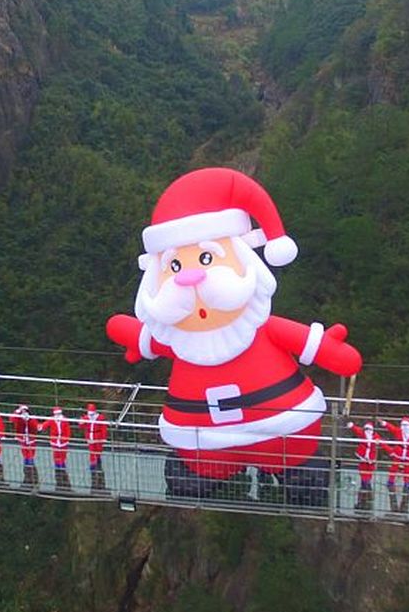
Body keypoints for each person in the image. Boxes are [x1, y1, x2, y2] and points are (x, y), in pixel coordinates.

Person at [103, 168, 362, 507]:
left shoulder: (256, 329)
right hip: (209, 442)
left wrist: (331, 351)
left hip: (271, 429)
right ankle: (209, 472)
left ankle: (295, 474)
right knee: (204, 466)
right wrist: (134, 336)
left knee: (299, 470)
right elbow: (134, 332)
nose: (190, 277)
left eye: (207, 258)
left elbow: (338, 357)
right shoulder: (182, 339)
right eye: (175, 267)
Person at [383, 417, 409, 508]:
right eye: (403, 425)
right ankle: (391, 481)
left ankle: (407, 483)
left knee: (408, 469)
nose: (404, 427)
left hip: (408, 453)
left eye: (406, 425)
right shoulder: (399, 431)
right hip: (399, 451)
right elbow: (392, 428)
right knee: (394, 467)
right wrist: (385, 423)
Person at [347, 419, 379, 495]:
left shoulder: (375, 436)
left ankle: (367, 481)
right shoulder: (362, 434)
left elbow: (381, 442)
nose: (368, 431)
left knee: (370, 468)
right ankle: (364, 481)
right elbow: (356, 430)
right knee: (362, 468)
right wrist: (352, 426)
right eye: (366, 429)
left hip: (371, 455)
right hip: (363, 454)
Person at [82, 403, 109, 486]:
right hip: (90, 436)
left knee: (98, 450)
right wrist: (81, 422)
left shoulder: (100, 418)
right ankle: (93, 464)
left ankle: (97, 461)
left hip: (98, 436)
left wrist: (104, 438)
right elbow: (82, 425)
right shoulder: (86, 417)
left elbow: (103, 428)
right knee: (91, 451)